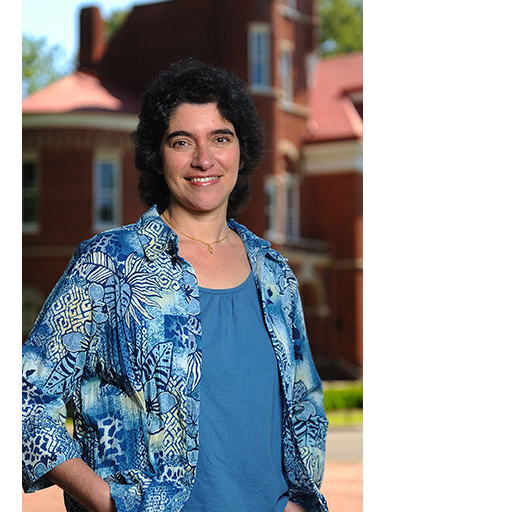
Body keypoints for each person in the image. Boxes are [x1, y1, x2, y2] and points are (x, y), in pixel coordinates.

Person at [22, 58, 329, 512]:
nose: (203, 159)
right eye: (182, 141)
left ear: (240, 150)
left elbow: (306, 403)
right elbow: (24, 399)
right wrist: (108, 502)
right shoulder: (109, 264)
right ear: (157, 153)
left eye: (220, 139)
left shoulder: (275, 273)